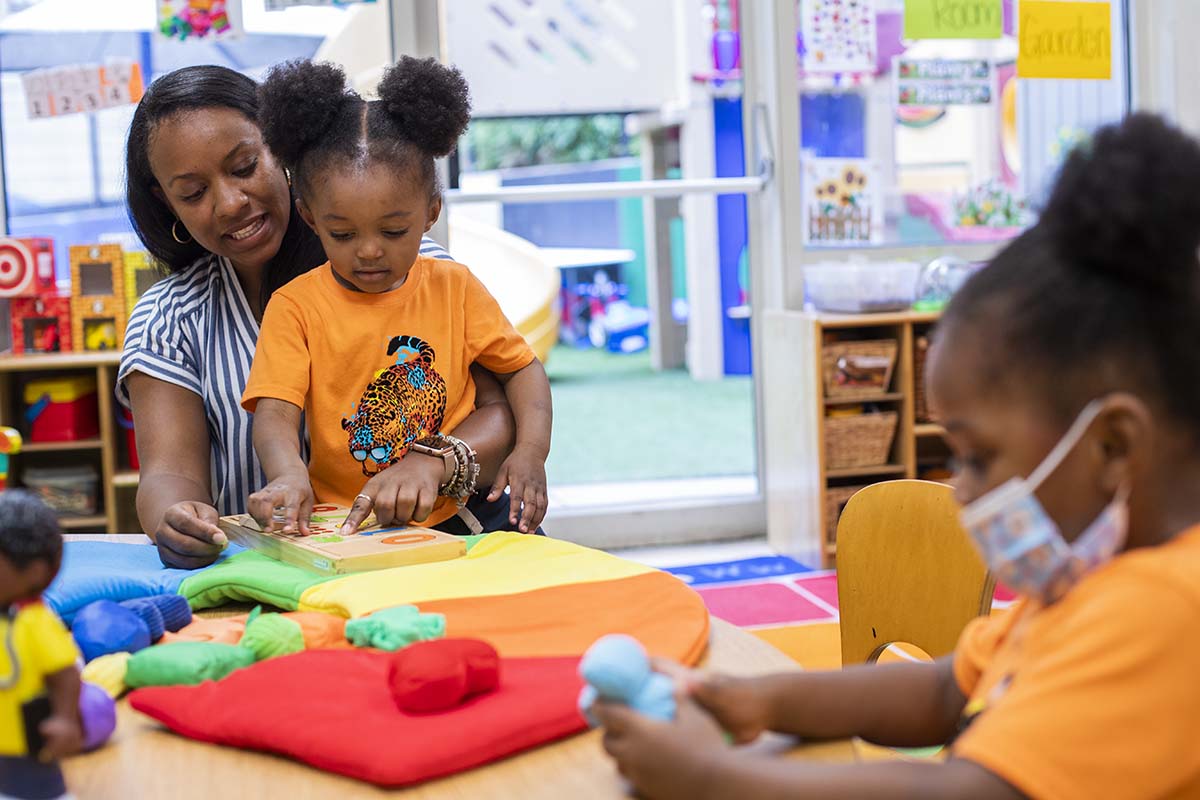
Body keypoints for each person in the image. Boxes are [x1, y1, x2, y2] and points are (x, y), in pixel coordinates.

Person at [594, 113, 1200, 799]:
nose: (961, 491)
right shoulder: (1081, 587)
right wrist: (755, 700)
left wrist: (713, 779)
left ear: (1113, 445)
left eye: (977, 457)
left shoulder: (1163, 607)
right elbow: (945, 689)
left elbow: (978, 792)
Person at [119, 65, 523, 568]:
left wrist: (435, 460)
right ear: (167, 202)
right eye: (193, 193)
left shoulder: (413, 271)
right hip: (285, 573)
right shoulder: (167, 317)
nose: (229, 203)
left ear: (283, 152)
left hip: (433, 555)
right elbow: (168, 474)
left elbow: (501, 409)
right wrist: (177, 517)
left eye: (244, 167)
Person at [242, 57, 552, 538]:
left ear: (430, 213)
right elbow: (276, 414)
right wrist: (288, 474)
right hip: (350, 526)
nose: (368, 252)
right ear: (309, 218)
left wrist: (531, 451)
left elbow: (523, 371)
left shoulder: (455, 287)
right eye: (342, 234)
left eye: (393, 230)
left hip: (461, 513)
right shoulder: (295, 306)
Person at [0, 491, 84, 800]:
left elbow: (65, 673)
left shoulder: (35, 622)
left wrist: (65, 719)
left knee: (36, 788)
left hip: (30, 732)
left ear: (33, 571)